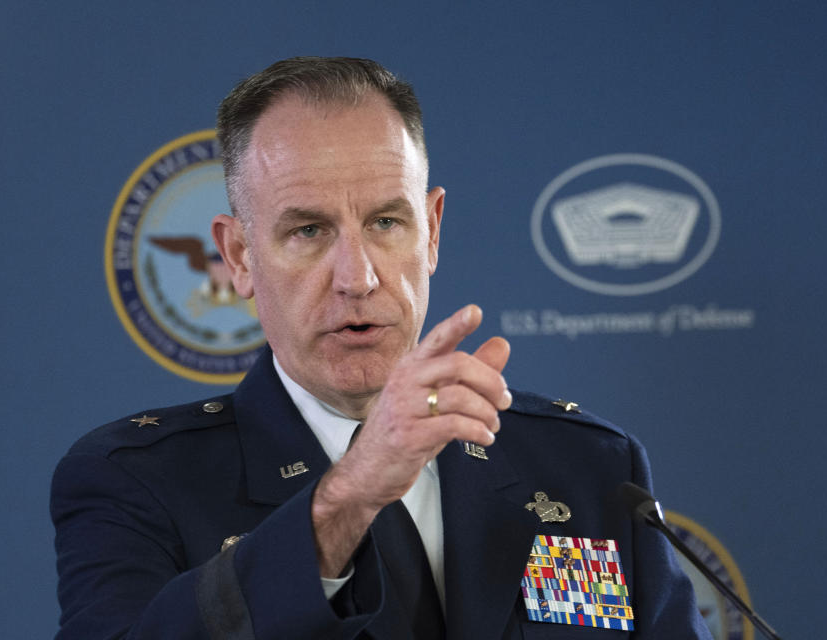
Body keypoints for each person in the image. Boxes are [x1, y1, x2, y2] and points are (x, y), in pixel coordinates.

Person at [51, 57, 711, 639]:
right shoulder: (135, 482)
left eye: (386, 222)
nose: (358, 278)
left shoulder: (589, 467)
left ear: (431, 231)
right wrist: (352, 493)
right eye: (308, 231)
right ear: (239, 255)